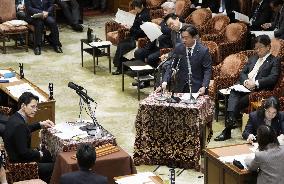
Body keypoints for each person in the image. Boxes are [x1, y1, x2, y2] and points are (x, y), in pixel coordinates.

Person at [214, 35, 281, 141]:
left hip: (257, 91)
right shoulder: (253, 58)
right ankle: (230, 122)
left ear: (268, 47)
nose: (257, 50)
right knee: (233, 92)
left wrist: (255, 83)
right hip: (244, 87)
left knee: (237, 102)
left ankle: (227, 129)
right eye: (256, 48)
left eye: (260, 47)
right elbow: (243, 72)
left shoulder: (274, 60)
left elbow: (272, 78)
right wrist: (245, 81)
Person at [3, 92, 54, 183]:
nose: (35, 110)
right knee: (54, 166)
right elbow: (24, 153)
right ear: (23, 106)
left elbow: (25, 130)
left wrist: (40, 124)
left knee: (48, 154)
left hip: (15, 157)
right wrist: (39, 153)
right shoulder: (19, 125)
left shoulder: (15, 118)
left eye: (36, 107)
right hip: (20, 165)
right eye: (32, 107)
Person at [158, 25, 212, 94]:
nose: (183, 40)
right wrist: (164, 81)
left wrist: (204, 86)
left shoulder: (203, 51)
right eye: (182, 38)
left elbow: (207, 70)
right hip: (180, 86)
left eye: (186, 38)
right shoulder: (179, 48)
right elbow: (171, 66)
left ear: (194, 37)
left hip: (197, 88)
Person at [112, 0, 151, 75]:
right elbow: (135, 25)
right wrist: (128, 26)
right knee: (121, 43)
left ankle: (120, 68)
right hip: (133, 35)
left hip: (138, 38)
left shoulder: (145, 15)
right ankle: (119, 66)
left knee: (123, 46)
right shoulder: (140, 13)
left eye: (136, 7)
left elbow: (142, 31)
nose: (135, 9)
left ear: (142, 6)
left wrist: (130, 28)